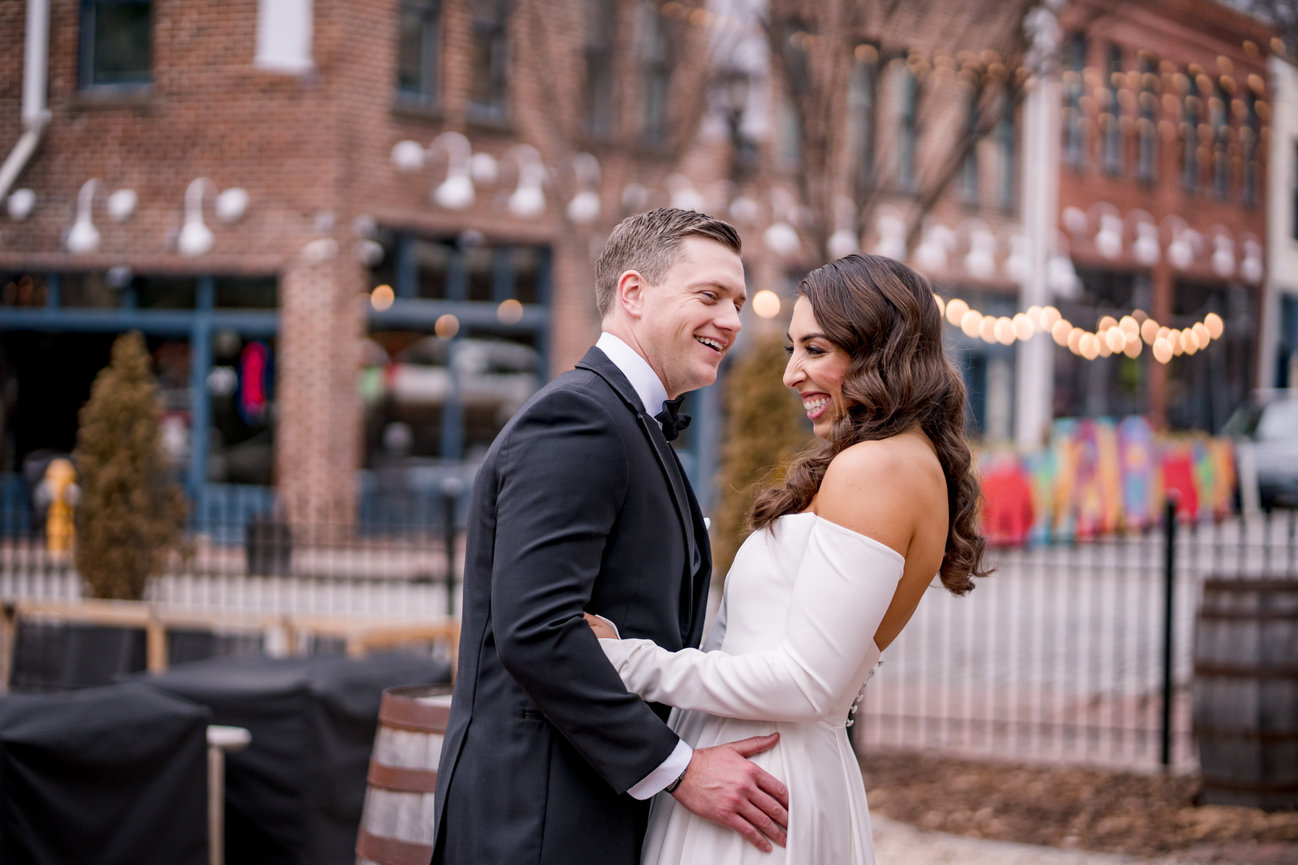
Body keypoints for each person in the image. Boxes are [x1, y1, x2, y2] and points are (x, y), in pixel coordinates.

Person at [588, 253, 990, 864]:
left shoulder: (877, 467)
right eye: (791, 350)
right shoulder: (897, 460)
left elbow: (806, 683)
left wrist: (627, 661)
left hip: (764, 784)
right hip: (762, 766)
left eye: (817, 349)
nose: (792, 374)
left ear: (881, 351)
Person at [430, 208, 791, 865]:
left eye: (738, 302)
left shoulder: (624, 420)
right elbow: (537, 630)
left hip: (582, 807)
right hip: (538, 820)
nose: (733, 321)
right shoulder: (579, 419)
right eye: (709, 296)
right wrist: (679, 767)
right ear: (632, 293)